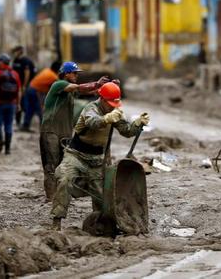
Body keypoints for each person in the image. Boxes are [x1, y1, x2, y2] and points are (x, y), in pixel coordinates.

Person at [51, 82, 149, 230]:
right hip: (76, 156)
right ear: (102, 99)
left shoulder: (114, 111)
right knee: (64, 179)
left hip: (96, 160)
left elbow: (126, 131)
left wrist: (138, 123)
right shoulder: (90, 109)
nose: (111, 106)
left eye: (114, 104)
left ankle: (100, 223)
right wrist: (106, 119)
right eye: (109, 103)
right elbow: (92, 123)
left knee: (103, 198)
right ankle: (56, 221)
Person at [40, 62, 110, 200]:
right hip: (51, 132)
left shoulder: (70, 93)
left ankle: (60, 196)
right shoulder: (58, 84)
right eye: (75, 73)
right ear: (66, 74)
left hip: (65, 133)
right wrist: (97, 83)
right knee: (51, 166)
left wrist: (107, 87)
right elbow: (80, 88)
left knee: (63, 167)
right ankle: (51, 197)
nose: (77, 76)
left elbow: (89, 91)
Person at [0, 54, 22, 155]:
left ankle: (1, 141)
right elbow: (19, 91)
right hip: (11, 104)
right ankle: (8, 149)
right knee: (8, 126)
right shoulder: (15, 74)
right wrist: (18, 103)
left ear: (2, 62)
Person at [22, 60, 62, 131]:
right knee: (40, 109)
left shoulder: (47, 70)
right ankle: (44, 128)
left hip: (30, 88)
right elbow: (57, 87)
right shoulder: (53, 76)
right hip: (35, 91)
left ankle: (26, 125)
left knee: (30, 109)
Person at [12, 46, 36, 127]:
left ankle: (26, 122)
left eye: (15, 51)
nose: (14, 53)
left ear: (19, 51)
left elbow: (27, 73)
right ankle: (18, 121)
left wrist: (24, 86)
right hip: (16, 85)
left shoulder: (25, 60)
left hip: (25, 86)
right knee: (17, 102)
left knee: (24, 104)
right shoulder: (15, 60)